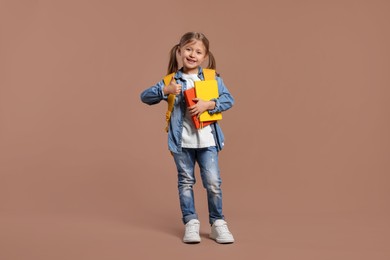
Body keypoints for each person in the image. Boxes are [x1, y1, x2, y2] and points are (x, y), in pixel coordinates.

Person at [140, 32, 235, 244]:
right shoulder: (172, 80)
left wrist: (208, 104)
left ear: (205, 56)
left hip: (208, 141)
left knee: (213, 183)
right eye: (189, 49)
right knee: (185, 182)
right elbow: (144, 96)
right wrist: (166, 90)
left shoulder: (212, 79)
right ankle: (191, 223)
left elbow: (229, 99)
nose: (193, 54)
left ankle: (218, 223)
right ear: (180, 50)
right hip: (182, 142)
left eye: (198, 51)